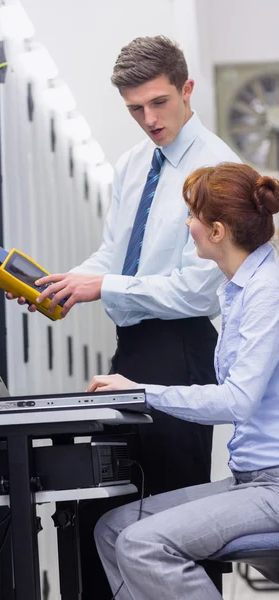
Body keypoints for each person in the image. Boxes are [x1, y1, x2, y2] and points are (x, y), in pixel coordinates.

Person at [10, 36, 240, 596]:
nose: (149, 119)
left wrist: (103, 284)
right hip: (132, 349)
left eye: (159, 102)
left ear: (187, 89)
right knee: (113, 503)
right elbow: (113, 255)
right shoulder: (133, 165)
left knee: (174, 516)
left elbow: (194, 290)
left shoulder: (218, 171)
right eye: (135, 109)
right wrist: (65, 283)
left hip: (183, 350)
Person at [87, 162, 279, 600]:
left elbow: (238, 401)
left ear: (216, 231)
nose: (187, 225)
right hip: (251, 481)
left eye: (192, 216)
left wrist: (141, 391)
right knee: (114, 529)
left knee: (143, 544)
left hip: (273, 486)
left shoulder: (267, 291)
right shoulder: (237, 290)